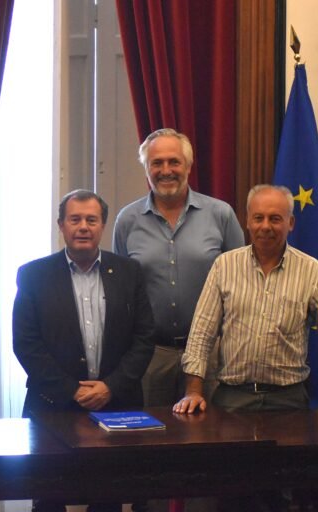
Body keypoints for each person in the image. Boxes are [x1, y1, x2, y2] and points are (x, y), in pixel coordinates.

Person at [175, 184, 318, 419]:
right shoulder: (224, 266)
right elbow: (202, 333)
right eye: (258, 218)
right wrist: (193, 391)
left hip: (289, 400)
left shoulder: (311, 270)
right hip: (232, 398)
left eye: (275, 219)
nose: (265, 226)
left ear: (290, 223)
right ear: (247, 221)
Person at [14, 189, 155, 512]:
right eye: (75, 219)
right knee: (49, 496)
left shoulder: (129, 272)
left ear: (103, 225)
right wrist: (72, 391)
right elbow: (26, 344)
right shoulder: (34, 275)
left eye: (91, 220)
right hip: (53, 406)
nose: (83, 227)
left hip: (117, 405)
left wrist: (111, 386)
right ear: (61, 225)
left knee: (108, 497)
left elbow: (144, 337)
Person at [113, 128, 244, 407]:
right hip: (151, 355)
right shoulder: (127, 220)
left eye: (174, 161)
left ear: (188, 166)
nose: (166, 170)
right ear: (146, 169)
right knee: (151, 440)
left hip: (212, 353)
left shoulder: (220, 214)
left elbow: (241, 284)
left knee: (212, 440)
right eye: (156, 163)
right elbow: (120, 293)